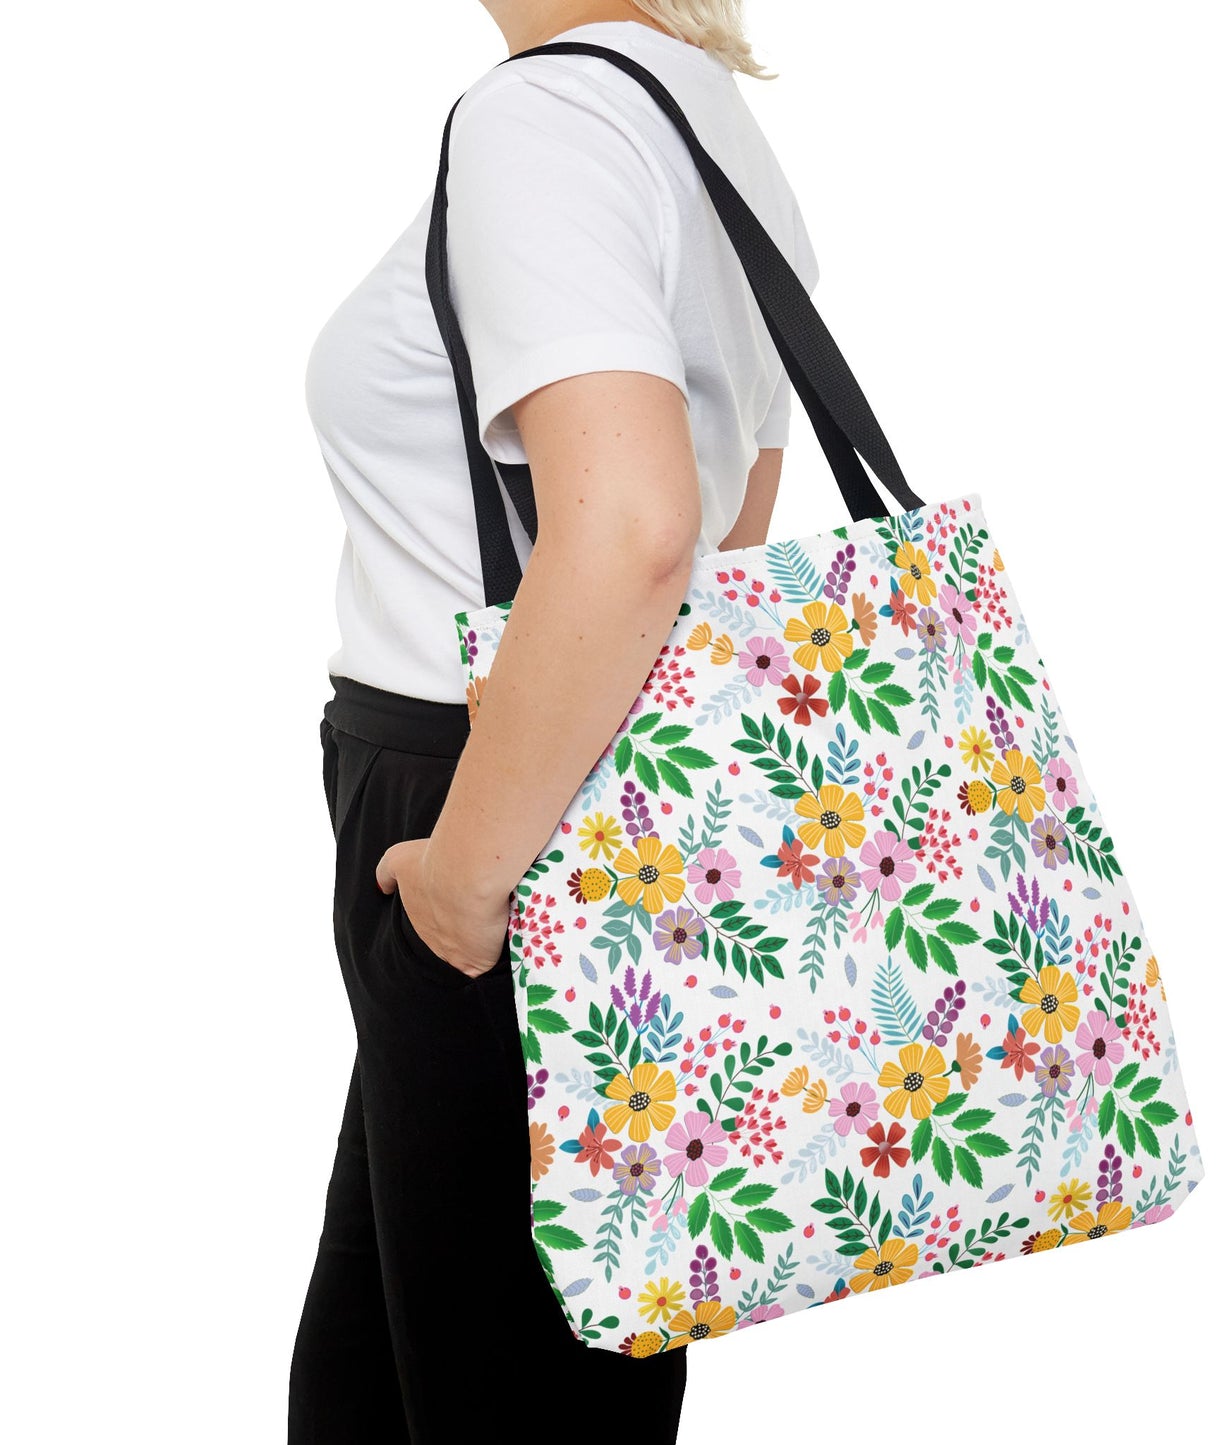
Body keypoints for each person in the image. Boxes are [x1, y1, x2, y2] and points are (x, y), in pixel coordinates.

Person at [288, 3, 819, 1439]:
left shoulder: (545, 121)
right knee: (413, 1373)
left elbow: (643, 528)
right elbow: (729, 526)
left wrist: (462, 887)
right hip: (583, 792)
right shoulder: (698, 114)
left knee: (489, 1392)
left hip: (489, 815)